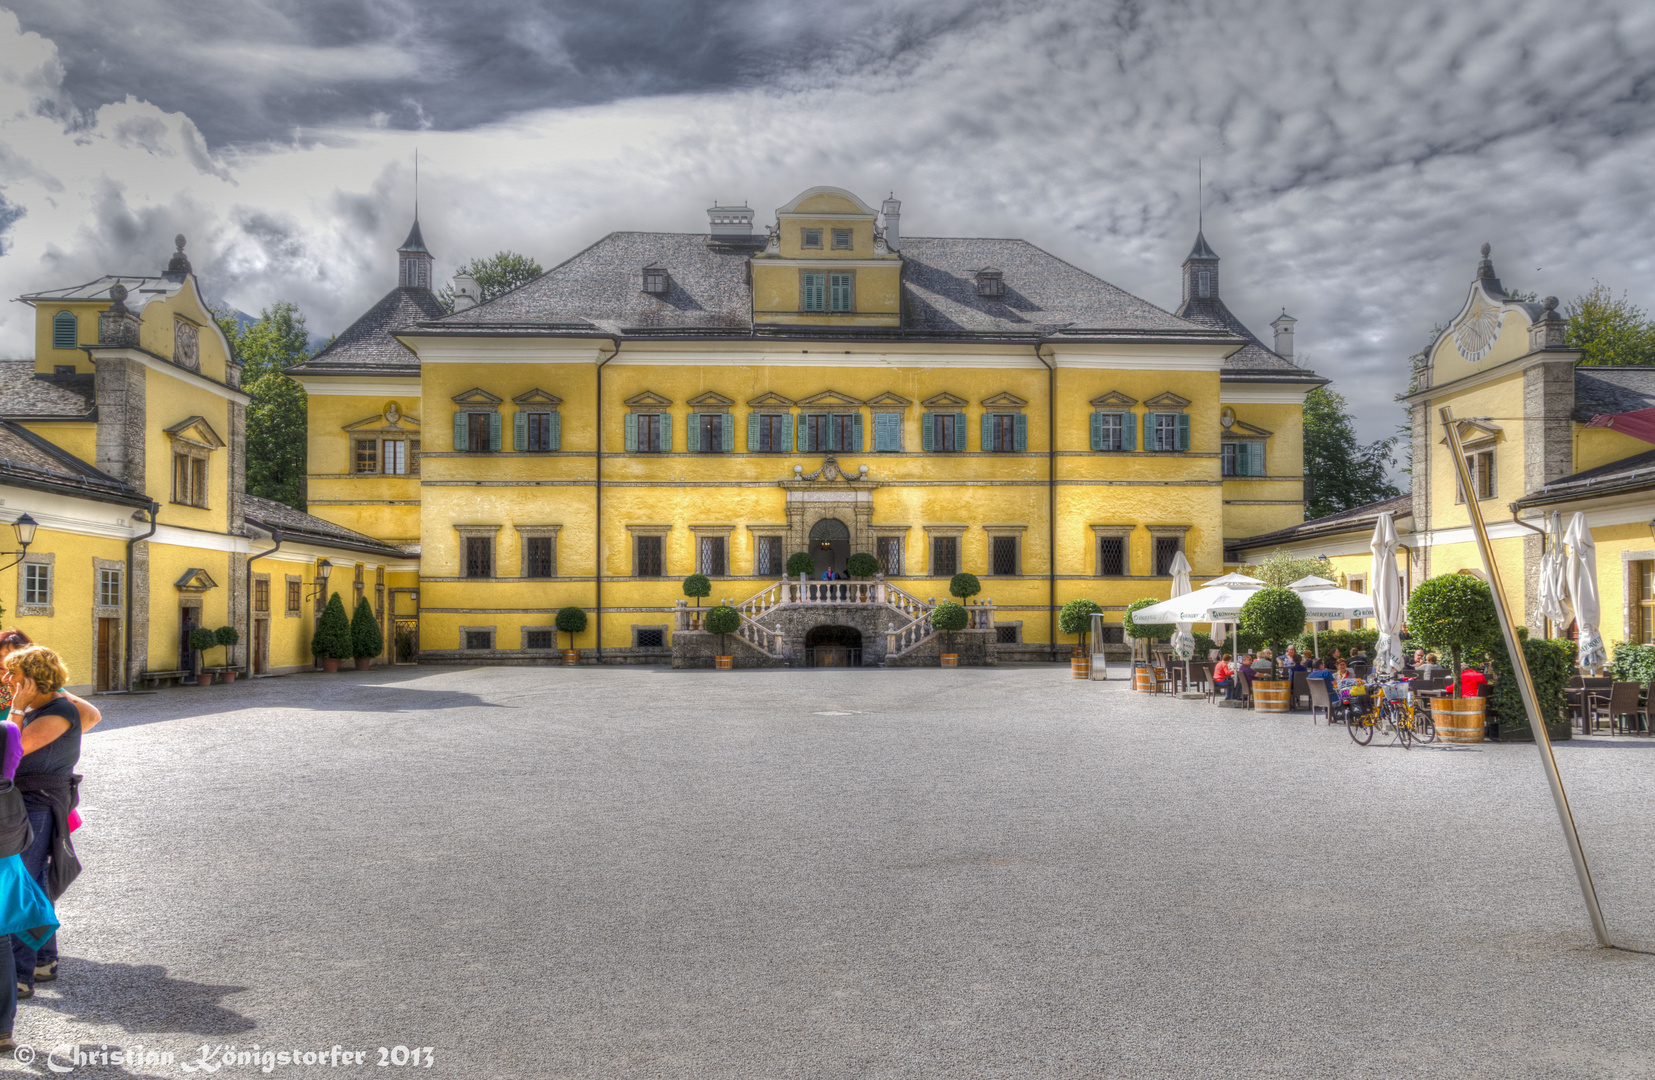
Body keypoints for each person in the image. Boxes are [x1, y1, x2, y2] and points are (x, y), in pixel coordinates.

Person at [4, 645, 82, 1005]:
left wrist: (16, 709)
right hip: (26, 803)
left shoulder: (59, 711)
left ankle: (19, 977)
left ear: (32, 679)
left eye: (12, 674)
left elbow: (9, 751)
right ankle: (44, 962)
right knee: (32, 884)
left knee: (21, 886)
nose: (6, 680)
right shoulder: (40, 708)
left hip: (38, 805)